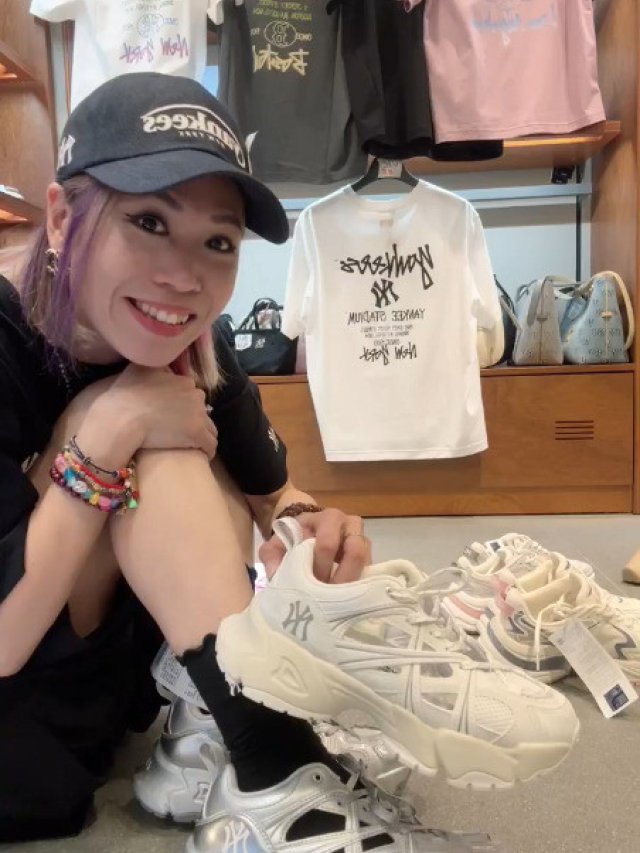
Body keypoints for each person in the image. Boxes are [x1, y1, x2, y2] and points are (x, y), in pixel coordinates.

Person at [0, 71, 398, 846]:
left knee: (179, 410)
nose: (184, 277)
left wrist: (313, 528)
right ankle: (272, 761)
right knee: (135, 414)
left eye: (218, 241)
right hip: (19, 711)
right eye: (148, 221)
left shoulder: (190, 337)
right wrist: (108, 429)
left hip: (116, 679)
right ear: (62, 218)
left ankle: (224, 723)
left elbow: (273, 493)